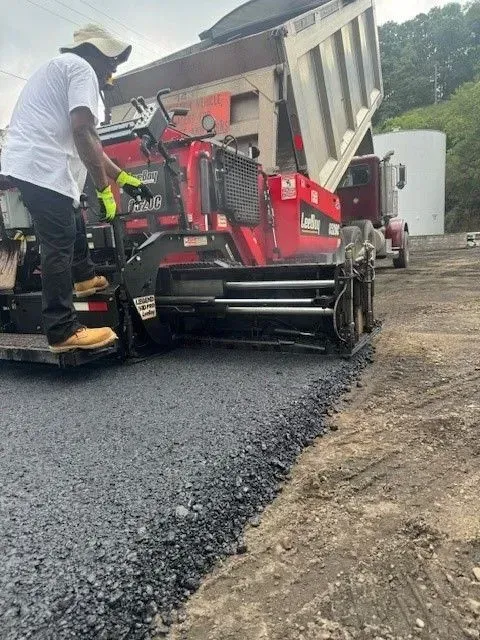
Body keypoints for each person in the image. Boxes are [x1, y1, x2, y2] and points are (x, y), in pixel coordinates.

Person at [1, 25, 152, 353]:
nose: (111, 74)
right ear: (96, 54)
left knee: (72, 219)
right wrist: (104, 190)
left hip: (36, 166)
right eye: (111, 65)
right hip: (41, 167)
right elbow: (83, 130)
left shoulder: (61, 69)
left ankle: (84, 279)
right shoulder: (82, 69)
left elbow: (92, 144)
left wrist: (123, 179)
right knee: (57, 242)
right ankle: (62, 330)